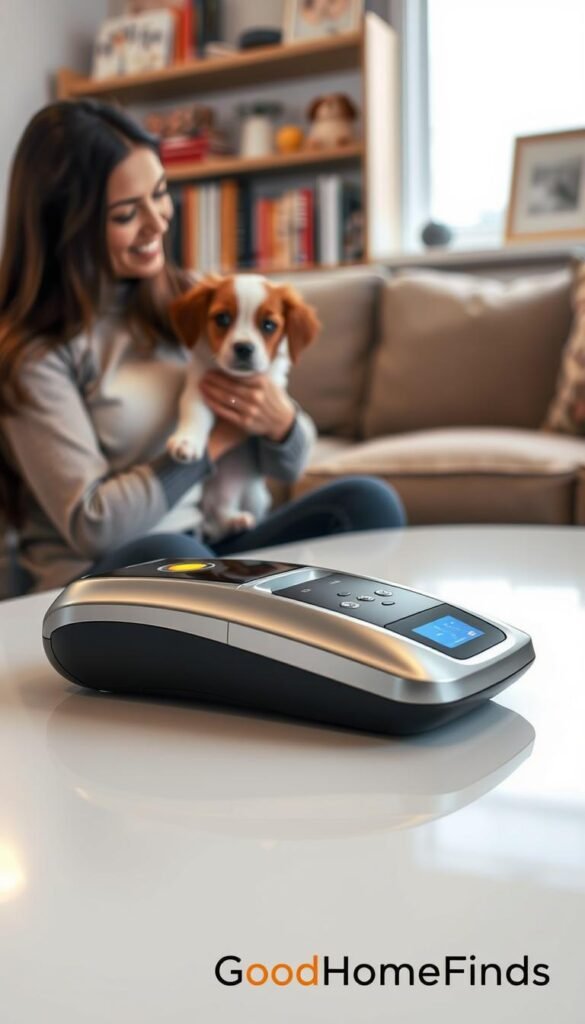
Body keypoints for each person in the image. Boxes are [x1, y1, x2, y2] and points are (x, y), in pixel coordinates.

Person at [0, 99, 406, 595]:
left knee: (369, 504)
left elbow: (288, 465)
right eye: (127, 214)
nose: (157, 223)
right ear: (66, 224)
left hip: (211, 546)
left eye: (160, 194)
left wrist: (281, 424)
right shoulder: (34, 355)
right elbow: (93, 525)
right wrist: (215, 442)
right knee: (179, 557)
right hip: (105, 575)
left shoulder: (190, 297)